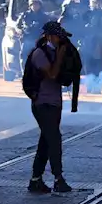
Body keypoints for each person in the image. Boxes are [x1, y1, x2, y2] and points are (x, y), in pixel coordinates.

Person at [27, 21, 73, 194]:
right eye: (57, 37)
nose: (60, 40)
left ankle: (35, 180)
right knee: (54, 139)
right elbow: (52, 74)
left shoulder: (54, 52)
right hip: (42, 103)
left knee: (46, 141)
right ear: (48, 36)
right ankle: (58, 178)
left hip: (54, 103)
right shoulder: (39, 53)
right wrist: (60, 56)